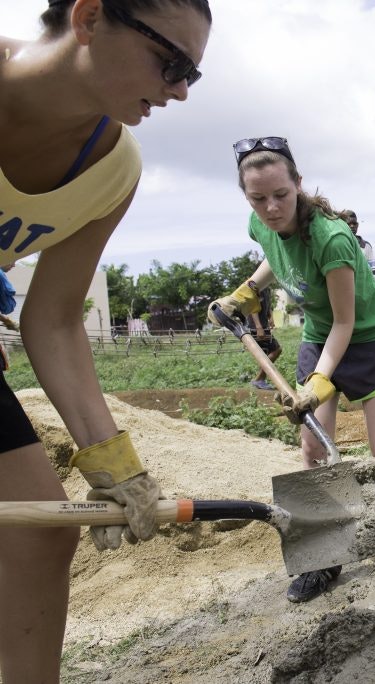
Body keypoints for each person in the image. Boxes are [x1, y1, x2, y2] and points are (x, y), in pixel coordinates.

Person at [0, 1, 211, 681]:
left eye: (192, 76)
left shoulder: (111, 170)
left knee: (36, 536)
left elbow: (56, 319)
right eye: (170, 62)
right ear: (89, 17)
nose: (179, 89)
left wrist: (115, 464)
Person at [209, 137, 375, 603]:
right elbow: (277, 256)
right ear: (246, 197)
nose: (271, 208)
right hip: (319, 336)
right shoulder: (260, 223)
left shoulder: (331, 237)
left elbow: (346, 321)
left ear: (298, 184)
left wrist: (319, 381)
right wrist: (248, 291)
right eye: (258, 198)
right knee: (312, 447)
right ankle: (323, 559)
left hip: (369, 339)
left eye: (280, 195)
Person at [246, 286, 281, 390]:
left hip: (263, 325)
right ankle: (259, 379)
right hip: (257, 327)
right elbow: (253, 307)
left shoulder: (267, 288)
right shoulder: (257, 286)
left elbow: (267, 305)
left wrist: (271, 317)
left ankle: (260, 380)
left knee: (265, 354)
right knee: (276, 350)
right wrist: (258, 327)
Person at [337, 209, 375, 282]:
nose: (352, 226)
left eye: (354, 223)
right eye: (349, 224)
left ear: (358, 225)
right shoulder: (337, 244)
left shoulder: (366, 246)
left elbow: (374, 273)